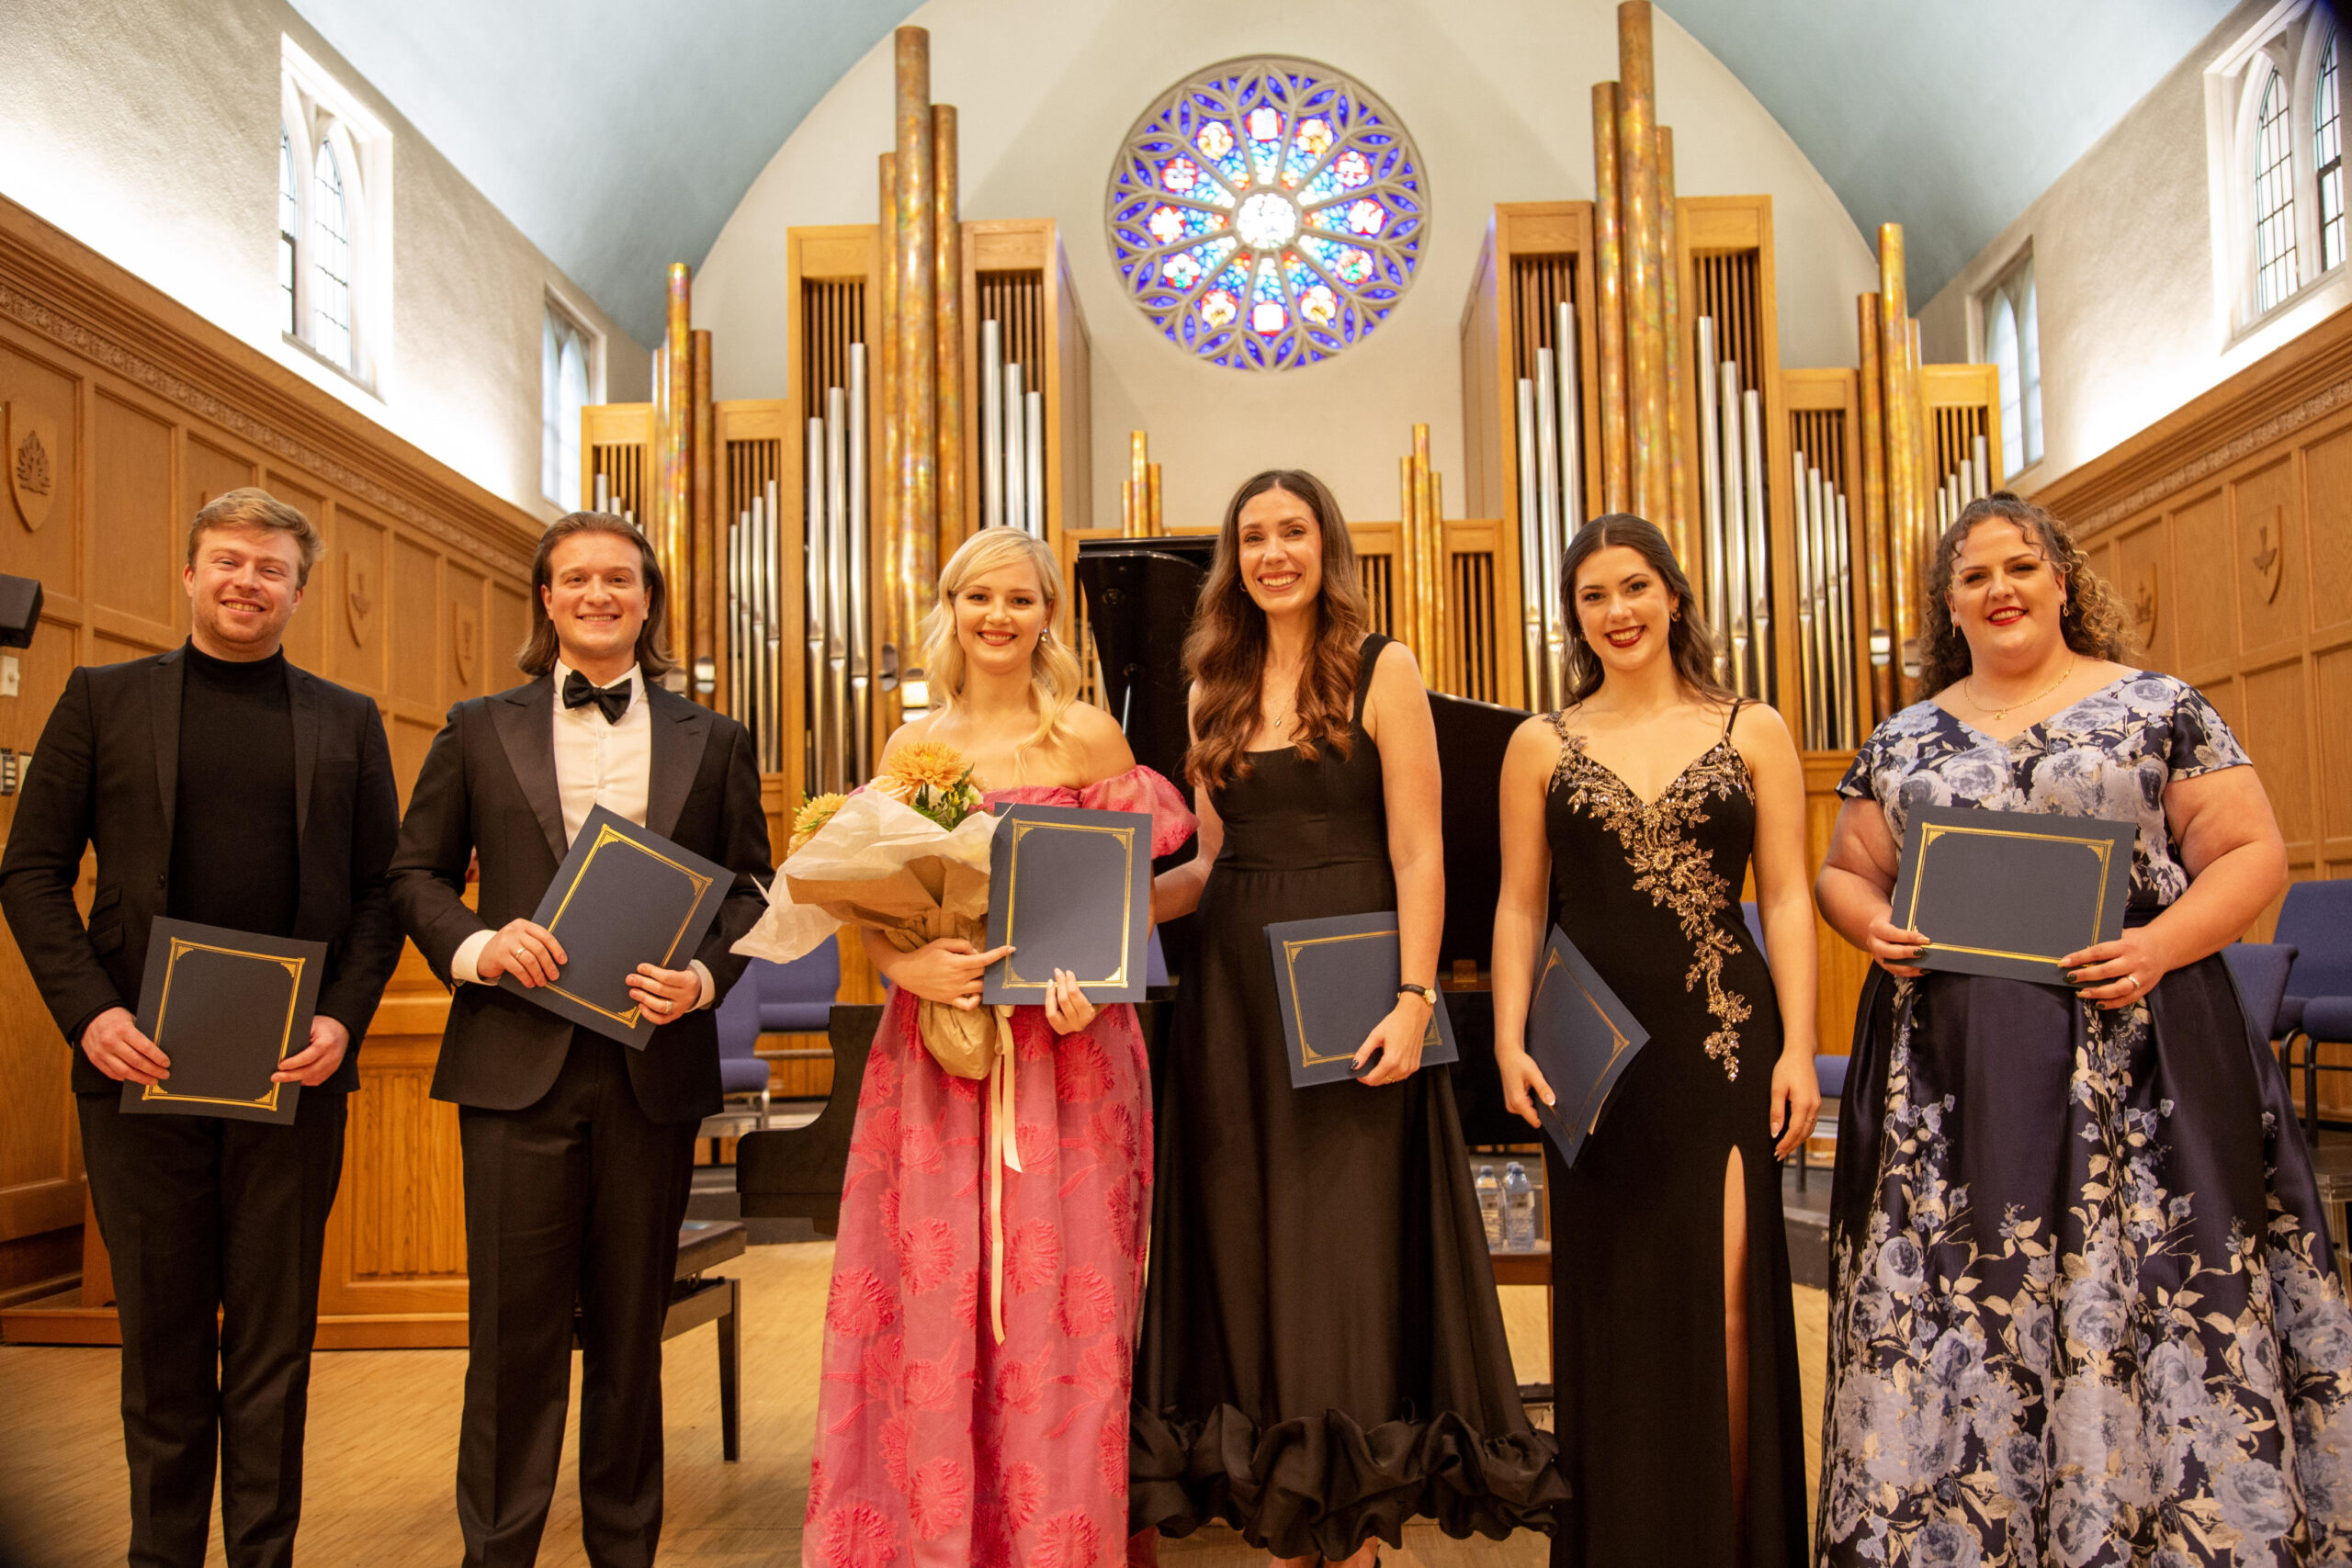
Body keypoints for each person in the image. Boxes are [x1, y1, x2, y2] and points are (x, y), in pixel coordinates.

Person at [1813, 491, 2352, 1563]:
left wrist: (2158, 946)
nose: (1999, 590)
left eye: (2020, 567)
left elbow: (2250, 853)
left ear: (2061, 581)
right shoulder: (1902, 738)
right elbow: (1845, 870)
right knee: (1971, 1295)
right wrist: (1870, 924)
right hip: (1954, 1083)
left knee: (2150, 1285)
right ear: (1947, 604)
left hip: (2141, 1056)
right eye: (1974, 576)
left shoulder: (2158, 706)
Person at [1130, 470, 1564, 1567]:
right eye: (1253, 537)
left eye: (1293, 531)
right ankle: (1282, 1507)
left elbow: (1420, 851)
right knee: (1248, 1243)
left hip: (1352, 994)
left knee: (1343, 1248)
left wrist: (1416, 999)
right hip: (1234, 999)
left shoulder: (1382, 667)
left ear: (1326, 546)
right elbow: (1211, 863)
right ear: (1233, 560)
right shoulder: (1209, 684)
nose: (1273, 552)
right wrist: (1092, 914)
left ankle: (1354, 1513)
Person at [0, 489, 404, 1568]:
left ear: (299, 593)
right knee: (163, 1350)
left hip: (291, 1076)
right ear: (188, 574)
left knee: (274, 1350)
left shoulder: (348, 720)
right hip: (139, 1070)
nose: (246, 582)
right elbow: (30, 872)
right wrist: (91, 1014)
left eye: (271, 568)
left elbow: (381, 893)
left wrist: (342, 1020)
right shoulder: (101, 700)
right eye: (228, 560)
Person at [386, 512, 771, 1568]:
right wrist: (478, 945)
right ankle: (497, 1554)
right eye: (577, 579)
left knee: (630, 1344)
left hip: (653, 1069)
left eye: (619, 579)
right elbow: (414, 874)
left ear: (647, 602)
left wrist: (703, 979)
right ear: (546, 599)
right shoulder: (475, 727)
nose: (598, 595)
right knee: (511, 1345)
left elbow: (750, 892)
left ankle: (625, 1552)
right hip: (515, 1064)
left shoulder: (715, 739)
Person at [804, 525, 1193, 1568]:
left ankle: (1056, 1540)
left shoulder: (1089, 740)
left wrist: (1090, 981)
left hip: (1072, 1054)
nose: (998, 617)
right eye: (979, 597)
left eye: (1020, 599)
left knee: (1062, 1307)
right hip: (937, 1057)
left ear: (1048, 618)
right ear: (951, 609)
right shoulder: (911, 750)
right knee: (935, 1301)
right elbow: (875, 910)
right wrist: (907, 967)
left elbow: (1124, 895)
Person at [1487, 513, 1815, 1567]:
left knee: (1727, 1304)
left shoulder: (1752, 729)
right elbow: (1518, 905)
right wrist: (1506, 1037)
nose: (1617, 611)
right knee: (1615, 1312)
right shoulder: (1540, 744)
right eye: (1593, 596)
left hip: (1722, 1046)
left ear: (1674, 594)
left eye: (1634, 587)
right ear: (1573, 617)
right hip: (1590, 1064)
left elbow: (1789, 897)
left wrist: (1800, 1048)